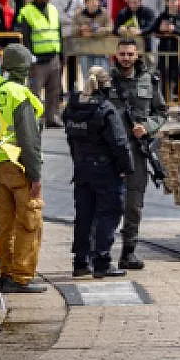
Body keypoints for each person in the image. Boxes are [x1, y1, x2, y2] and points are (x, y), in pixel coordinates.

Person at [0, 44, 47, 293]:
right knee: (29, 221)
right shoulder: (20, 94)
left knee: (6, 223)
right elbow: (29, 140)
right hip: (19, 164)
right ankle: (21, 277)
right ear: (24, 67)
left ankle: (6, 274)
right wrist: (35, 175)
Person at [63, 67, 134, 279]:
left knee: (84, 215)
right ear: (106, 86)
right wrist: (125, 168)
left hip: (82, 168)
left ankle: (80, 262)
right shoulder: (105, 109)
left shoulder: (73, 106)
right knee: (108, 213)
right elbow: (120, 143)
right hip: (106, 170)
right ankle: (102, 261)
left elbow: (70, 138)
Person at [106, 37, 167, 271]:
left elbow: (161, 111)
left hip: (137, 151)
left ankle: (128, 252)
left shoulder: (149, 80)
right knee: (109, 203)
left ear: (137, 55)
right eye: (122, 54)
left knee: (134, 204)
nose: (126, 58)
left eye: (130, 54)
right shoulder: (106, 81)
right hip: (111, 152)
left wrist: (148, 127)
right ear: (116, 55)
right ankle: (101, 252)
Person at [16, 0, 63, 125]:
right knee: (35, 91)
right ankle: (35, 119)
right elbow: (26, 37)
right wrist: (30, 57)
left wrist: (62, 55)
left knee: (54, 90)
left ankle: (52, 118)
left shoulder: (53, 9)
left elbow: (58, 33)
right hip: (37, 60)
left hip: (53, 56)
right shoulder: (27, 12)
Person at [151, 0, 180, 113]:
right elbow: (153, 29)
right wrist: (160, 29)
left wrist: (175, 30)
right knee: (164, 79)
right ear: (167, 2)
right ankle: (165, 106)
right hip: (165, 52)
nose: (175, 3)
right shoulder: (162, 15)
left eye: (177, 0)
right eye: (172, 0)